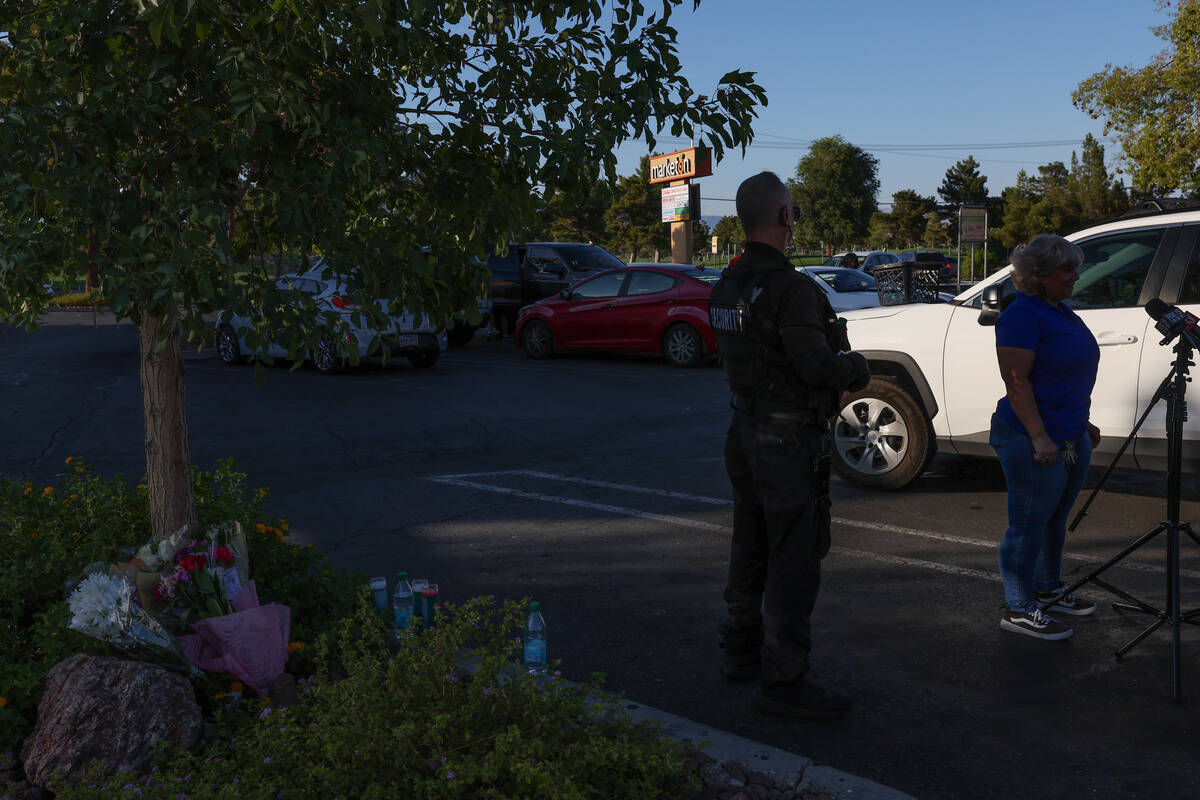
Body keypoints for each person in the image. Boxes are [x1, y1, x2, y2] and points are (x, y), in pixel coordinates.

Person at [708, 172, 871, 719]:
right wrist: (855, 367)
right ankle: (784, 680)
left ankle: (740, 651)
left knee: (749, 542)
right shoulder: (791, 286)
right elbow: (815, 365)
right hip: (784, 437)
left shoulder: (727, 282)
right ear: (784, 217)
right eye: (793, 210)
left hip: (744, 430)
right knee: (793, 557)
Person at [991, 233, 1102, 640]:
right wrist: (1039, 437)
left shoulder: (1060, 310)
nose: (1076, 275)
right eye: (1067, 269)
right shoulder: (1023, 315)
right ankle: (1020, 607)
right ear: (1040, 275)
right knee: (1028, 524)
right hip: (1031, 437)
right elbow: (1016, 380)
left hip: (1070, 434)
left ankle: (1047, 589)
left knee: (1055, 520)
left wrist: (1082, 423)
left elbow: (1064, 376)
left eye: (1075, 267)